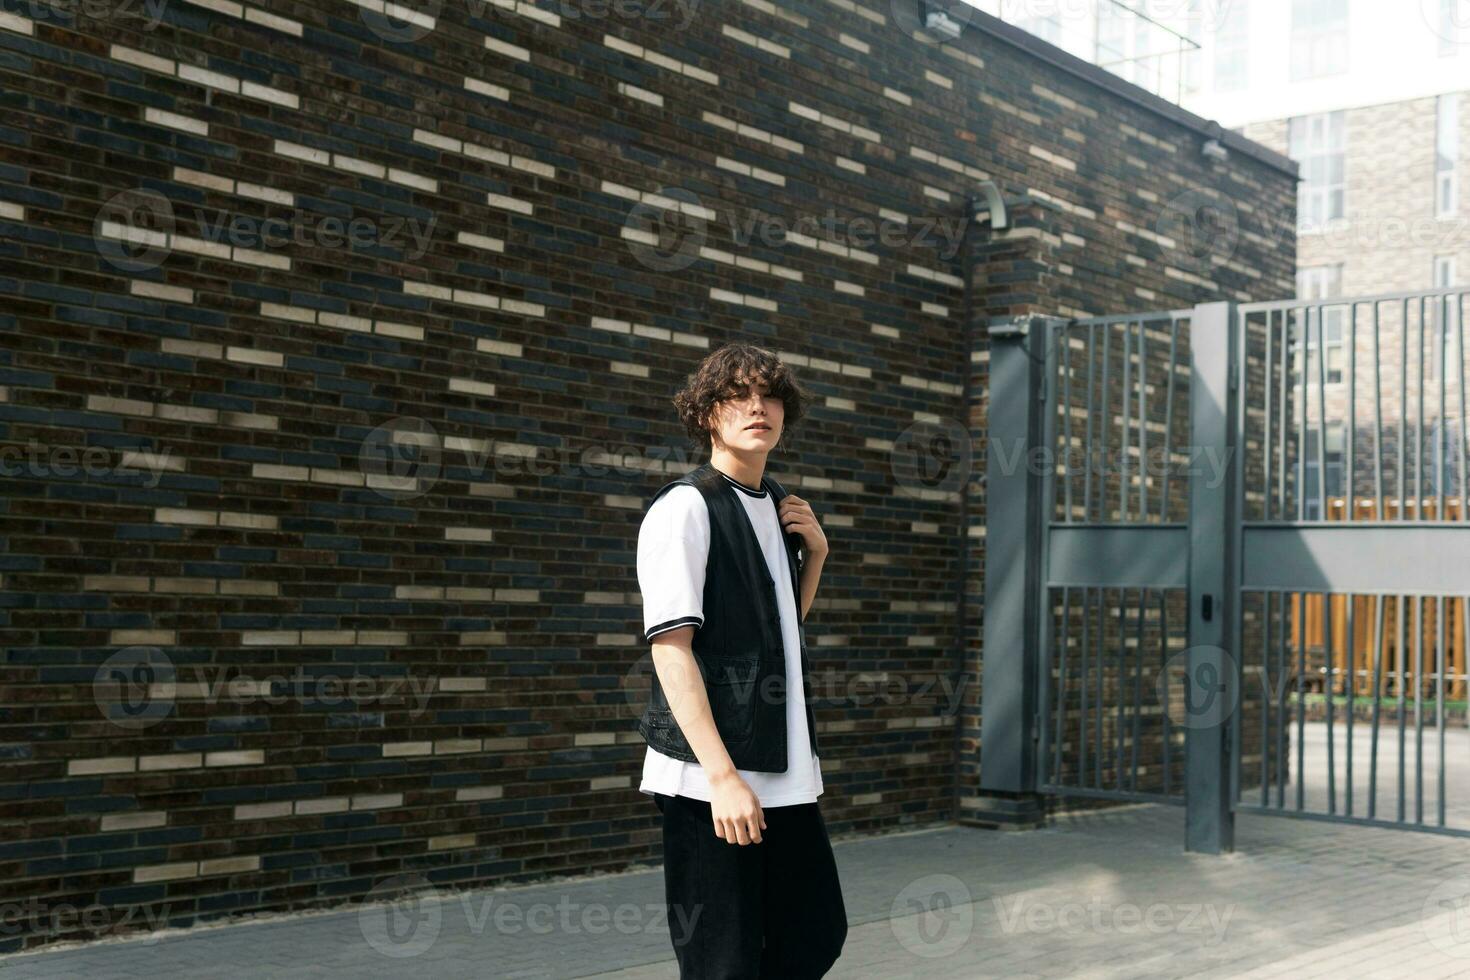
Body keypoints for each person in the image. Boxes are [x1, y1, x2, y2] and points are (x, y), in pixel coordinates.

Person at [634, 343, 848, 979]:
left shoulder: (779, 504)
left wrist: (818, 556)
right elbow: (672, 652)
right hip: (712, 780)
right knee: (721, 963)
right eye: (738, 395)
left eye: (771, 395)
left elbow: (777, 633)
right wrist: (723, 777)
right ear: (706, 414)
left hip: (781, 770)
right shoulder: (685, 509)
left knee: (814, 932)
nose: (759, 406)